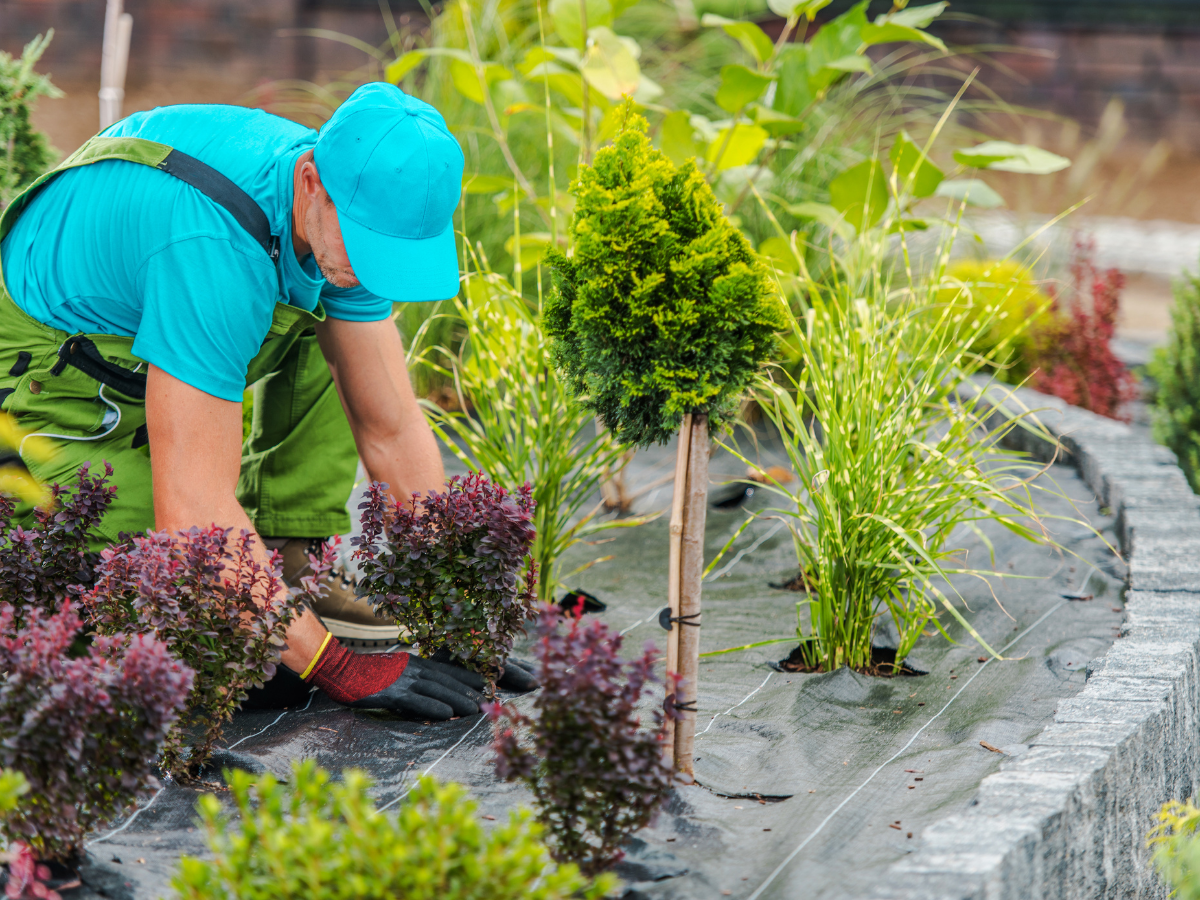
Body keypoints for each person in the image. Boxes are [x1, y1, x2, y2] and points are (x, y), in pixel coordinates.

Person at [0, 82, 534, 719]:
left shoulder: (342, 214)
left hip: (153, 336)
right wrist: (336, 665)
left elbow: (389, 425)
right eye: (365, 247)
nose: (370, 272)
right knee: (176, 631)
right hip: (51, 375)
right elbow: (192, 514)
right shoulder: (213, 247)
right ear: (311, 179)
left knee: (335, 331)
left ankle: (293, 562)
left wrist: (458, 620)